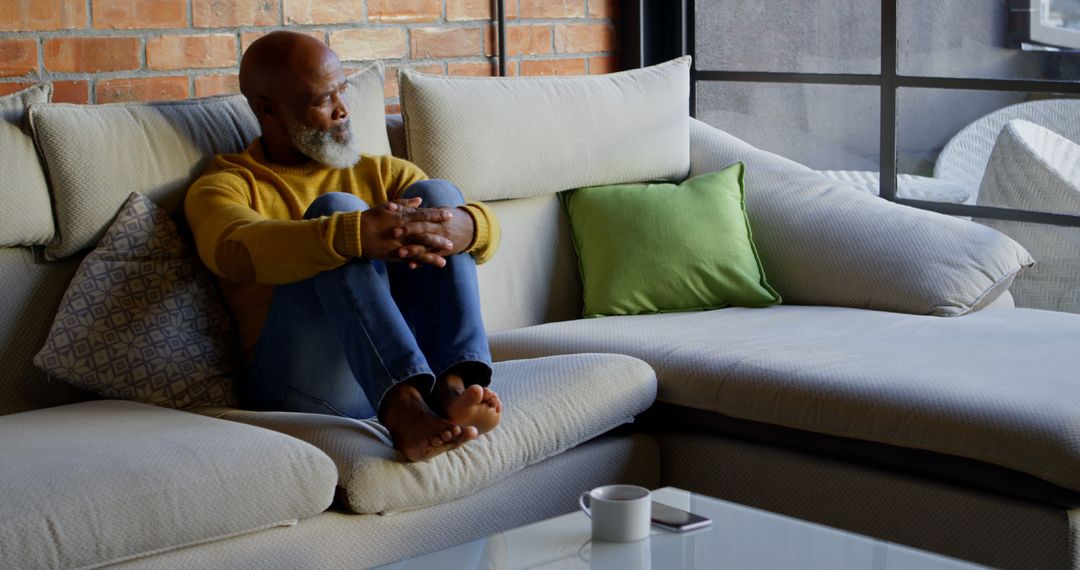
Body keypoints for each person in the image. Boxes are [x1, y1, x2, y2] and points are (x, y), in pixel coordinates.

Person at [185, 31, 501, 462]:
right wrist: (353, 234)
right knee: (335, 212)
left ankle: (451, 388)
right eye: (322, 99)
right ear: (268, 109)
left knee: (440, 194)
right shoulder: (226, 184)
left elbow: (481, 232)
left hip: (399, 373)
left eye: (342, 89)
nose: (342, 110)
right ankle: (402, 407)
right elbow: (233, 249)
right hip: (295, 388)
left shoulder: (384, 173)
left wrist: (468, 226)